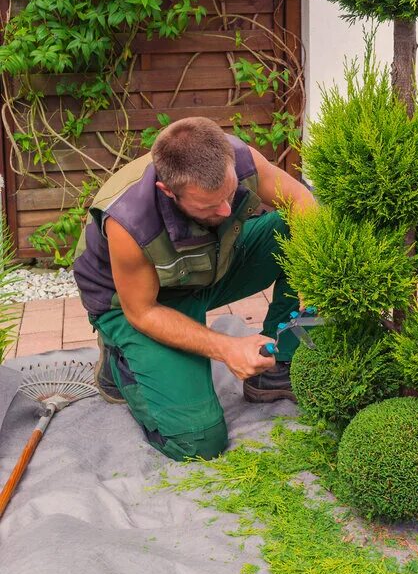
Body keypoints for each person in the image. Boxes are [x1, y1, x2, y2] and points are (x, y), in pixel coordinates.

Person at [73, 116, 316, 462]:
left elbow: (302, 204)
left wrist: (311, 279)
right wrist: (228, 348)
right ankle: (120, 363)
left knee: (291, 230)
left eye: (230, 195)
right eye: (209, 206)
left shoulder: (239, 158)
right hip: (142, 303)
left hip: (208, 267)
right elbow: (143, 311)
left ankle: (278, 367)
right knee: (198, 442)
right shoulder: (128, 220)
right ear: (168, 192)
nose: (227, 209)